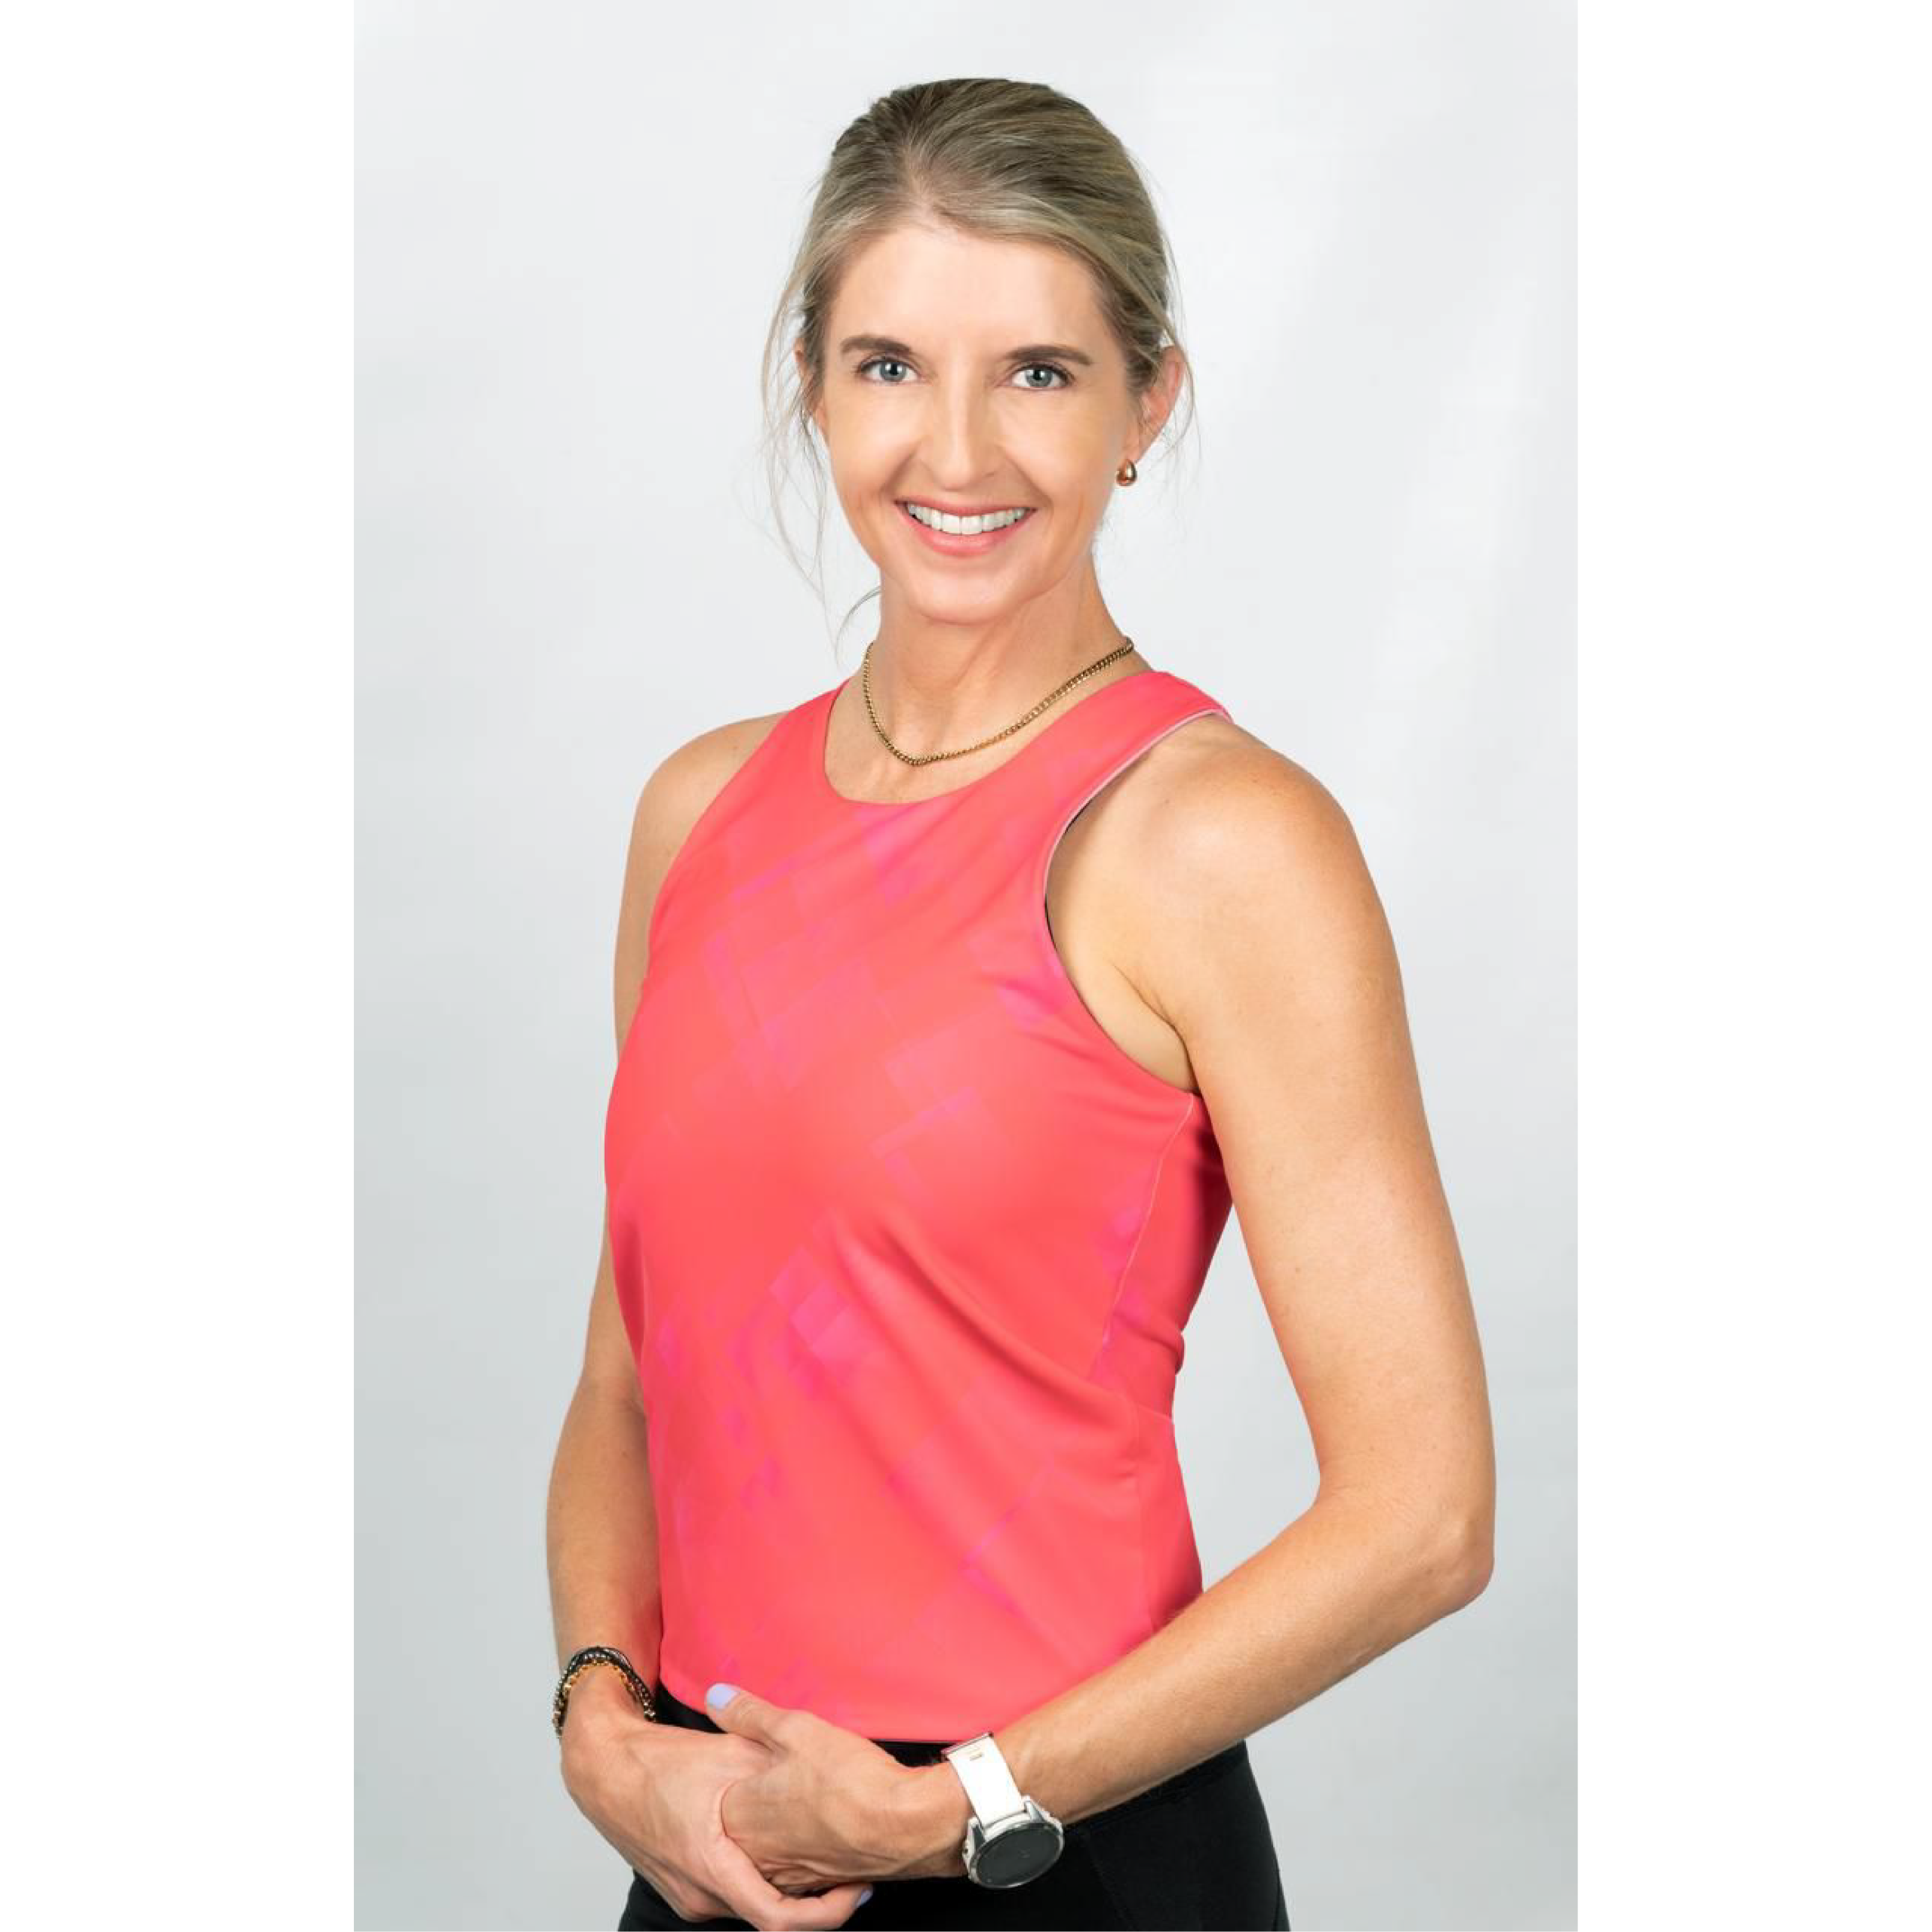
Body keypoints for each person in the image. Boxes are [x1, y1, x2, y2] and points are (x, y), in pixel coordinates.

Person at [547, 78, 1495, 1932]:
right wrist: (598, 1717)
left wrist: (955, 1806)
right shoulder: (696, 815)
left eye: (1039, 373)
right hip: (713, 1843)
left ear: (1148, 403)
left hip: (1061, 1852)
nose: (958, 447)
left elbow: (1423, 1512)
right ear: (812, 387)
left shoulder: (1219, 840)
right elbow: (625, 1379)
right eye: (890, 365)